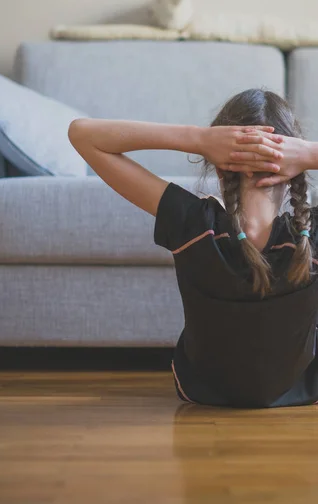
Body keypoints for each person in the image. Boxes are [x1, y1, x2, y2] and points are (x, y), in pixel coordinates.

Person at [68, 89, 318, 408]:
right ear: (292, 170)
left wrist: (198, 139)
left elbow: (82, 134)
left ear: (217, 168)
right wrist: (310, 153)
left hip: (203, 389)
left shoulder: (194, 224)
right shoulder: (310, 233)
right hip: (305, 389)